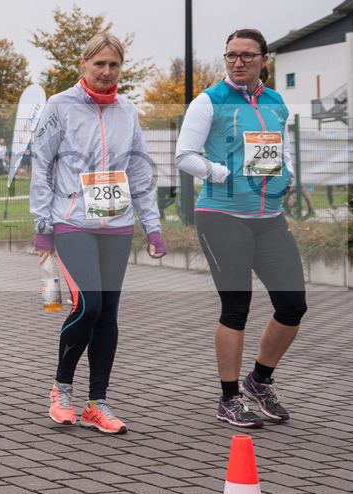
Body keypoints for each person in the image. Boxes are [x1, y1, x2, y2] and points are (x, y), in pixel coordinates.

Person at [31, 33, 166, 435]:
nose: (107, 72)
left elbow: (139, 171)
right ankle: (61, 389)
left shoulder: (128, 111)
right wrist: (43, 227)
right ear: (83, 65)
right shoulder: (60, 106)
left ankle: (97, 403)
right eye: (99, 64)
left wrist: (152, 225)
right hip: (72, 222)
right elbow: (42, 166)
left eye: (114, 65)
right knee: (87, 306)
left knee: (108, 314)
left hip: (118, 225)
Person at [175, 28, 306, 429]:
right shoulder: (209, 101)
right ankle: (229, 398)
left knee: (293, 305)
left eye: (247, 55)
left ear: (264, 60)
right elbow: (184, 155)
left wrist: (288, 173)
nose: (238, 61)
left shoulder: (275, 101)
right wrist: (220, 173)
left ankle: (259, 380)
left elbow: (280, 148)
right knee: (237, 307)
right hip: (222, 216)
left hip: (268, 218)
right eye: (231, 54)